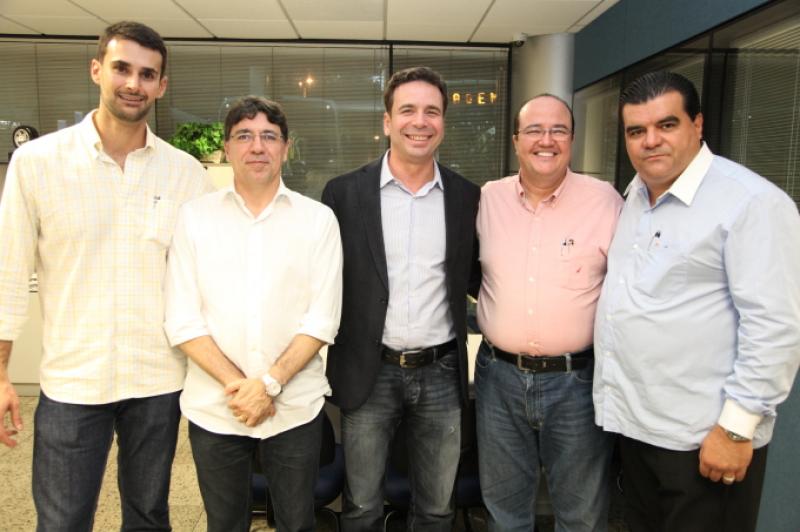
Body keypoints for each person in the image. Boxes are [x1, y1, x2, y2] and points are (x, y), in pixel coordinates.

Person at [0, 21, 212, 531]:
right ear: (97, 70)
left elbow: (207, 276)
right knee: (62, 520)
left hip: (157, 380)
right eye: (122, 68)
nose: (133, 84)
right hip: (74, 380)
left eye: (147, 74)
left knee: (148, 516)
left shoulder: (187, 174)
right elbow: (8, 272)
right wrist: (1, 373)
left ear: (161, 85)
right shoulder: (37, 162)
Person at [594, 71, 800, 532]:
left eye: (666, 125)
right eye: (636, 130)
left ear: (698, 124)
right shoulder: (635, 196)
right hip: (640, 431)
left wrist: (735, 429)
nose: (650, 141)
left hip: (705, 440)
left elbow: (775, 328)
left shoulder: (750, 203)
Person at [164, 96, 342, 532]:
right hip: (216, 408)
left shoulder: (318, 221)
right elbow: (182, 319)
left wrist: (269, 384)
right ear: (227, 148)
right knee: (224, 523)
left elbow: (322, 320)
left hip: (294, 409)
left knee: (297, 523)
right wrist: (242, 388)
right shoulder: (194, 219)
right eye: (244, 136)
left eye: (269, 136)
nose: (257, 146)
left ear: (286, 147)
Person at [321, 66, 480, 531]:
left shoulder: (467, 197)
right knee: (361, 507)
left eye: (432, 111)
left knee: (437, 508)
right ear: (388, 121)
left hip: (441, 373)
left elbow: (479, 276)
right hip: (370, 371)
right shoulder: (343, 193)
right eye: (408, 110)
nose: (420, 121)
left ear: (443, 122)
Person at [474, 94, 623, 531]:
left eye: (558, 130)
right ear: (515, 141)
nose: (546, 140)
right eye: (534, 130)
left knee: (581, 515)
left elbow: (629, 290)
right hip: (498, 378)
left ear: (572, 139)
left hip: (577, 383)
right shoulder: (487, 199)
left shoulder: (605, 201)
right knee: (504, 513)